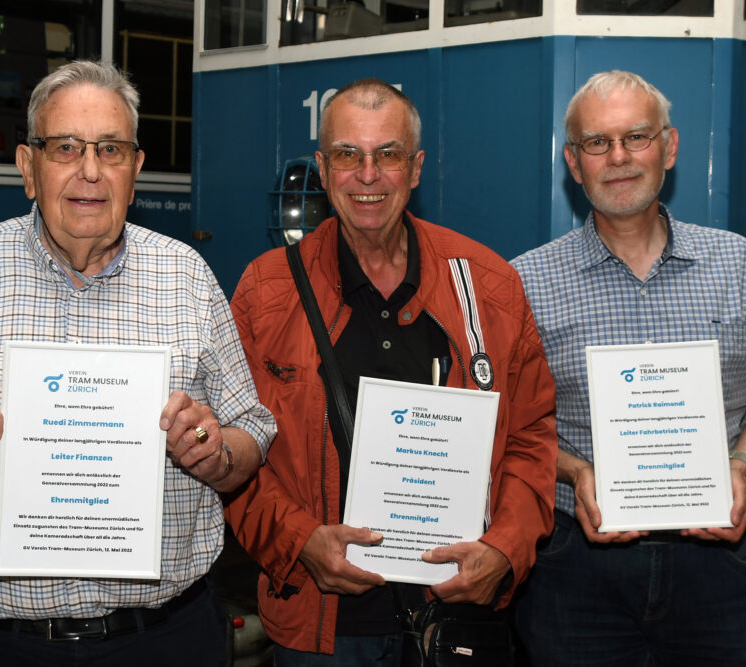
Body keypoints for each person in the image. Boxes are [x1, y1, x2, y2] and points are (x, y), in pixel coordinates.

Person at [0, 60, 276, 667]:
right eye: (65, 147)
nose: (90, 171)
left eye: (110, 149)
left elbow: (253, 428)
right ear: (28, 168)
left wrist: (216, 452)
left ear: (135, 169)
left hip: (164, 642)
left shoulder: (187, 277)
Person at [225, 78, 557, 664]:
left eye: (389, 155)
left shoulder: (489, 284)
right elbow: (239, 457)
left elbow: (531, 438)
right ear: (323, 171)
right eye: (349, 155)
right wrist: (300, 542)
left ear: (417, 167)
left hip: (457, 615)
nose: (369, 175)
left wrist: (504, 550)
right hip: (322, 627)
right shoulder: (266, 291)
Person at [511, 70, 746, 666]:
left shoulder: (739, 265)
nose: (618, 157)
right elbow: (510, 428)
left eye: (637, 137)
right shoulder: (525, 282)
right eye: (597, 142)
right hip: (575, 571)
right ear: (574, 163)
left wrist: (743, 465)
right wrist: (574, 473)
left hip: (720, 565)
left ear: (669, 148)